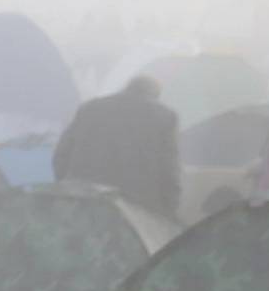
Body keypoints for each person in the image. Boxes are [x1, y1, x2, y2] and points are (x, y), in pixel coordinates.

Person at [51, 75, 181, 217]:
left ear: (127, 88)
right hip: (133, 209)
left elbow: (61, 155)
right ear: (155, 95)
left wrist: (68, 187)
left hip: (83, 199)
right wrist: (170, 207)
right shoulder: (165, 117)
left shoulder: (90, 108)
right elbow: (169, 168)